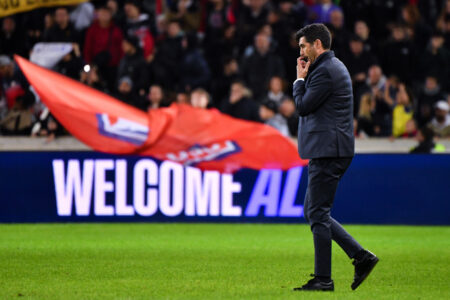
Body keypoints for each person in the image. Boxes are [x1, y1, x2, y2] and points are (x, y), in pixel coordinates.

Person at [292, 24, 378, 292]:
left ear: (318, 44)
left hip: (329, 150)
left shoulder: (326, 71)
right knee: (313, 211)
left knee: (317, 212)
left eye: (304, 46)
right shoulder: (329, 68)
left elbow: (303, 106)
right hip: (330, 148)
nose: (302, 52)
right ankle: (361, 256)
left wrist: (299, 80)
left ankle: (324, 279)